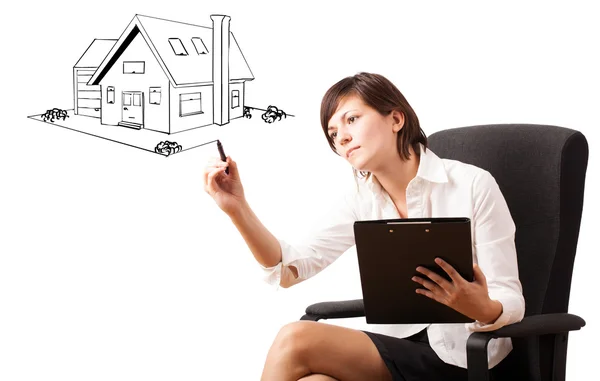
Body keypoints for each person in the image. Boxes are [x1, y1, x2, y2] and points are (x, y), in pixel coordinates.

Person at [203, 72, 525, 381]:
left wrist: (481, 307)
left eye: (351, 120)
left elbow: (509, 298)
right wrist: (237, 209)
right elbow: (288, 269)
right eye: (333, 133)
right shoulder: (360, 200)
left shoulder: (473, 186)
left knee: (293, 339)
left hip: (468, 359)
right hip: (398, 352)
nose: (341, 137)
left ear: (396, 120)